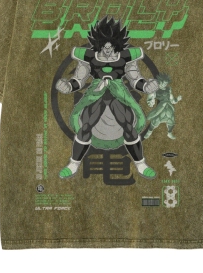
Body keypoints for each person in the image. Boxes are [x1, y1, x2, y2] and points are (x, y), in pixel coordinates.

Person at [55, 16, 159, 179]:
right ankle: (74, 164)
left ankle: (141, 164)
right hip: (96, 92)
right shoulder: (89, 56)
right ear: (97, 42)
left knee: (128, 125)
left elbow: (136, 79)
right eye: (104, 44)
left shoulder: (126, 57)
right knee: (86, 125)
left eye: (111, 45)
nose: (108, 49)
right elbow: (78, 79)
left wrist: (147, 86)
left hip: (119, 93)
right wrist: (68, 86)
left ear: (118, 43)